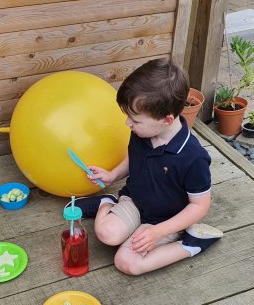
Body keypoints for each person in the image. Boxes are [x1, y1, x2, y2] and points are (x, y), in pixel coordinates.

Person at [69, 58, 223, 275]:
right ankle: (107, 202)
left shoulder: (193, 157)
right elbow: (135, 158)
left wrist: (158, 232)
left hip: (165, 221)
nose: (127, 124)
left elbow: (200, 206)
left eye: (135, 120)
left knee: (127, 262)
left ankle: (191, 244)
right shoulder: (143, 132)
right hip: (134, 201)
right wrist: (113, 175)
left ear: (166, 120)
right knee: (106, 234)